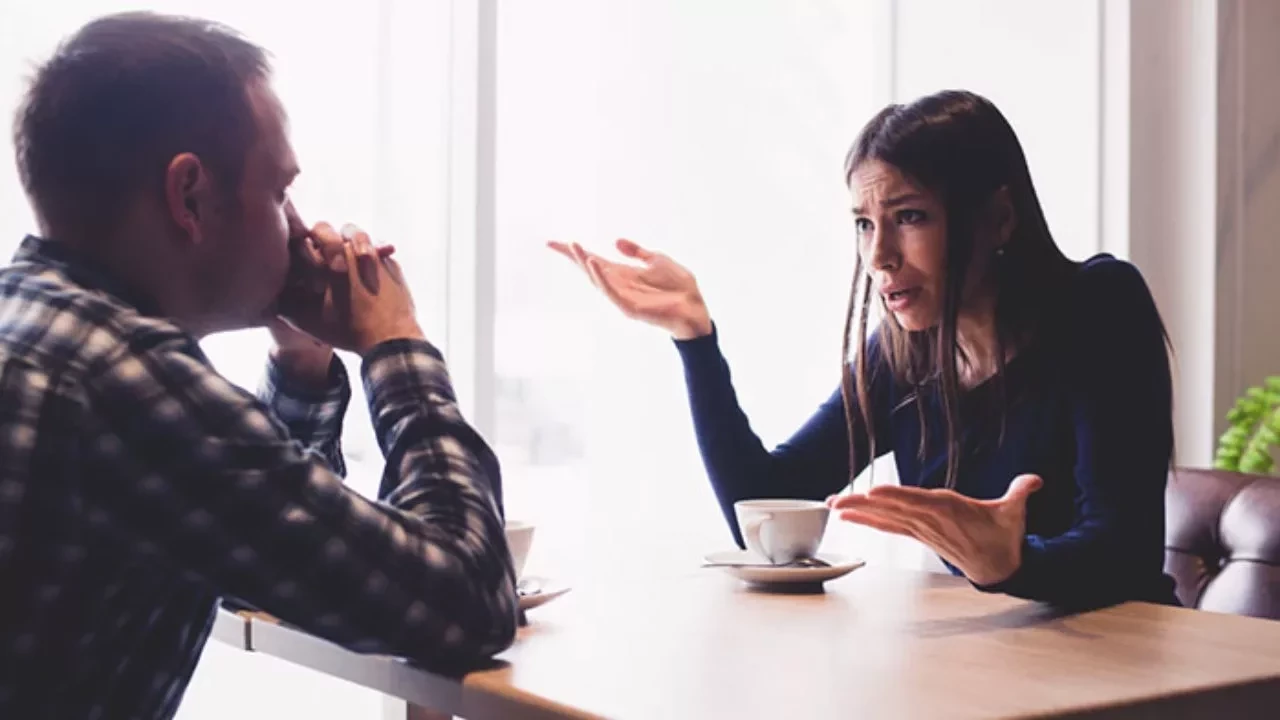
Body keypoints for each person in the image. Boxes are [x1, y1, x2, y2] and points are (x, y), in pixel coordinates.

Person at [0, 12, 516, 719]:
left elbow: (264, 555)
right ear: (190, 196)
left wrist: (301, 366)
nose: (300, 229)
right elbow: (467, 603)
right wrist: (397, 343)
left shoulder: (34, 322)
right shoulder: (123, 378)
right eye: (278, 192)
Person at [552, 90, 1178, 610]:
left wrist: (1013, 561)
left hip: (1137, 668)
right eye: (863, 223)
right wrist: (695, 339)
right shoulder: (903, 356)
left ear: (1000, 218)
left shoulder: (1099, 305)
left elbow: (1124, 554)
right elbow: (769, 504)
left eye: (909, 217)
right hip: (1001, 667)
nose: (878, 257)